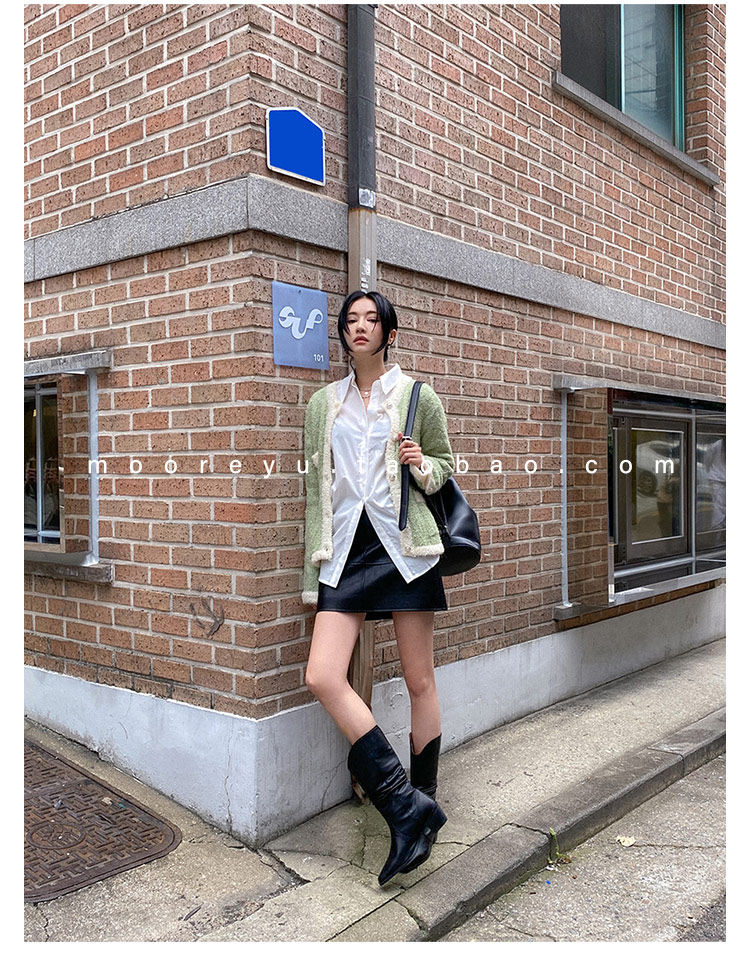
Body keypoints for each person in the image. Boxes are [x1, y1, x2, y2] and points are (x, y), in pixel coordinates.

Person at [301, 290, 455, 886]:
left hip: (404, 546)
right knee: (322, 675)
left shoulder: (417, 396)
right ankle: (405, 807)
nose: (359, 327)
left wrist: (421, 463)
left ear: (389, 333)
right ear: (343, 334)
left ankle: (425, 800)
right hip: (345, 549)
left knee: (419, 680)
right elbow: (316, 493)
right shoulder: (323, 404)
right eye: (351, 320)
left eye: (371, 319)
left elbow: (443, 468)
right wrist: (310, 573)